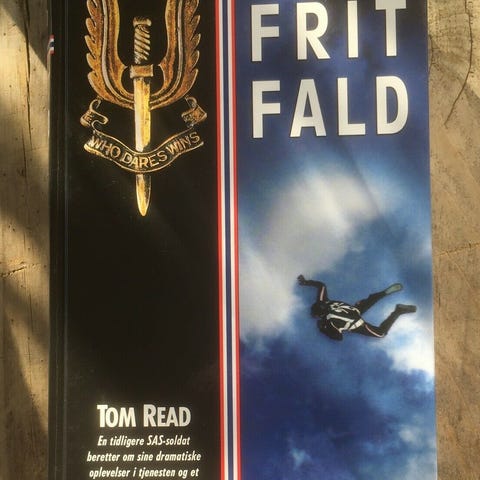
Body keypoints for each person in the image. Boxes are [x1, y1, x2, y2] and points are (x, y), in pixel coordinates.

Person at [297, 275, 417, 341]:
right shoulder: (324, 301)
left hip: (357, 324)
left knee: (381, 333)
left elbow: (338, 337)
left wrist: (322, 329)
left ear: (321, 315)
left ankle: (398, 311)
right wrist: (305, 282)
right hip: (354, 309)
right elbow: (321, 286)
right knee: (370, 300)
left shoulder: (329, 321)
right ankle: (382, 294)